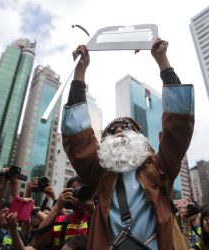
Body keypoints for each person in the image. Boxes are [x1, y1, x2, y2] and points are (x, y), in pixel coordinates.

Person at [61, 38, 195, 250]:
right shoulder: (99, 173)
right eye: (111, 131)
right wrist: (80, 71)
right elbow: (77, 137)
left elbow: (178, 127)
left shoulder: (160, 167)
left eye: (126, 127)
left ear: (140, 139)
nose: (119, 131)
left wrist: (162, 61)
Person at [31, 176, 93, 250]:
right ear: (67, 193)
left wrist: (92, 208)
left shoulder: (95, 219)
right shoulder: (60, 221)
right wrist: (57, 206)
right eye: (75, 191)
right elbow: (35, 244)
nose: (79, 195)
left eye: (83, 191)